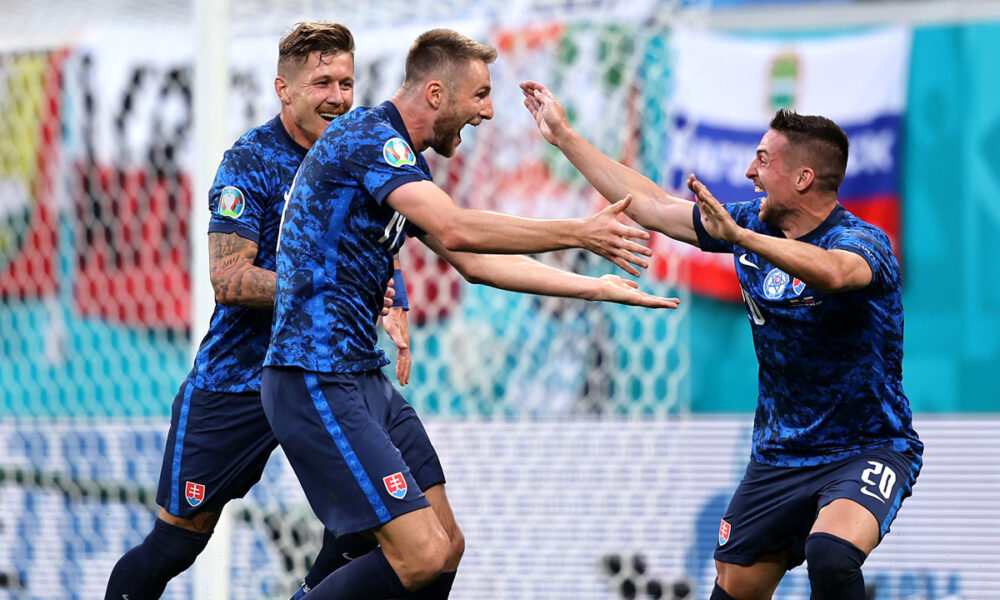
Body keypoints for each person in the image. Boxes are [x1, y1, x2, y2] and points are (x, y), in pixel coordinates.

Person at [261, 28, 679, 600]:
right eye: (480, 95)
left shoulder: (404, 162)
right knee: (421, 554)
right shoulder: (368, 138)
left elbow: (475, 263)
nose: (488, 112)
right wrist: (579, 231)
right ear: (436, 94)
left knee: (446, 548)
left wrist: (596, 287)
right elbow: (457, 228)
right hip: (313, 375)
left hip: (360, 376)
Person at [520, 81, 923, 600]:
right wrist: (564, 137)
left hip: (867, 448)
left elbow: (835, 273)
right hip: (779, 454)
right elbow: (651, 205)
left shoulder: (862, 242)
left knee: (831, 553)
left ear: (803, 178)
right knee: (735, 586)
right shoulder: (749, 222)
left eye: (763, 160)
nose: (750, 172)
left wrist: (742, 239)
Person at [104, 22, 405, 600]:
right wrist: (328, 287)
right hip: (238, 379)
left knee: (369, 530)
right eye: (322, 83)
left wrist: (394, 300)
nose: (338, 98)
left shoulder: (358, 156)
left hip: (324, 374)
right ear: (282, 89)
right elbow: (229, 278)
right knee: (174, 545)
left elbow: (382, 240)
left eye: (346, 83)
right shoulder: (251, 160)